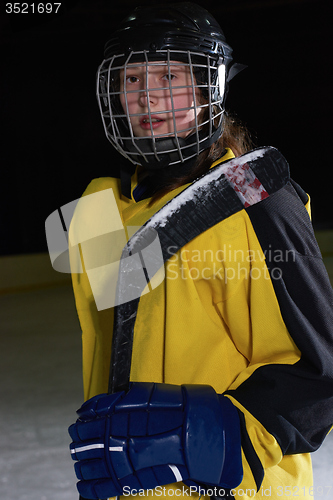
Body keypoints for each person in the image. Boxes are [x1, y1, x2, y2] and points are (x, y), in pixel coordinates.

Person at [67, 3, 333, 500]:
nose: (147, 96)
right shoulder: (97, 210)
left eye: (170, 74)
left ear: (213, 86)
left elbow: (322, 373)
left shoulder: (256, 201)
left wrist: (211, 443)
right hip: (131, 487)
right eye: (131, 79)